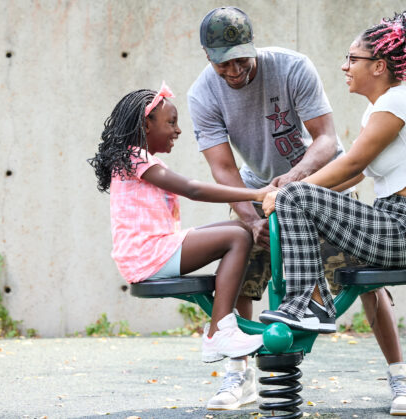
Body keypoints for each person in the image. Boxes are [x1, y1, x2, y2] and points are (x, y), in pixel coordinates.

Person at [187, 6, 405, 411]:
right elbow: (223, 169)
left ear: (252, 46)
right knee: (240, 271)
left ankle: (400, 377)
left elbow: (325, 140)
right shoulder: (202, 94)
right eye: (223, 64)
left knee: (364, 279)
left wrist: (295, 180)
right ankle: (239, 377)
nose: (233, 71)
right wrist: (253, 221)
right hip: (259, 193)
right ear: (207, 57)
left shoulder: (291, 67)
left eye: (240, 59)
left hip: (322, 184)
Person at [260, 10, 406, 416]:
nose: (345, 67)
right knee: (301, 215)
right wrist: (285, 192)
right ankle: (401, 379)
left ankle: (308, 302)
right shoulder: (380, 108)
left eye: (352, 59)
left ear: (379, 66)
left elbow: (348, 165)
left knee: (296, 199)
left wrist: (291, 193)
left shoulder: (396, 102)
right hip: (388, 219)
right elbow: (353, 176)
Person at [87, 83, 271, 398]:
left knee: (240, 231)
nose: (179, 130)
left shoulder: (134, 160)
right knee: (238, 236)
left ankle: (227, 333)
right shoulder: (136, 159)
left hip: (153, 250)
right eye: (171, 122)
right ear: (146, 124)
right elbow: (193, 189)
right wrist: (257, 193)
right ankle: (219, 330)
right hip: (149, 255)